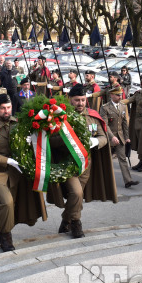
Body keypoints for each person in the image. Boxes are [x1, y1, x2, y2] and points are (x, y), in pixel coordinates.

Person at [0, 94, 47, 251]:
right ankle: (6, 236)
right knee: (6, 202)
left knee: (12, 205)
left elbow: (25, 145)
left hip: (15, 173)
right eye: (3, 108)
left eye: (9, 108)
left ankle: (3, 232)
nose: (6, 111)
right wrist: (6, 161)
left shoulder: (17, 124)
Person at [47, 84, 117, 238]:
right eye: (77, 100)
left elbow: (103, 137)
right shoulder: (62, 116)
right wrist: (66, 140)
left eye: (83, 100)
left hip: (86, 164)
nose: (80, 103)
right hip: (67, 164)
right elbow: (50, 141)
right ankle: (76, 224)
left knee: (77, 196)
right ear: (69, 99)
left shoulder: (92, 116)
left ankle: (66, 220)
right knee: (77, 193)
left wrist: (94, 142)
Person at [100, 86, 137, 188]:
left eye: (120, 94)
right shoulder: (105, 107)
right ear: (111, 95)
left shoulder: (122, 106)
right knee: (105, 160)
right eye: (117, 95)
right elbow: (104, 124)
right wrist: (111, 136)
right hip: (108, 137)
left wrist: (127, 137)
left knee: (123, 159)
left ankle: (128, 181)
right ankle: (103, 182)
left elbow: (125, 123)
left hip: (120, 137)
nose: (120, 96)